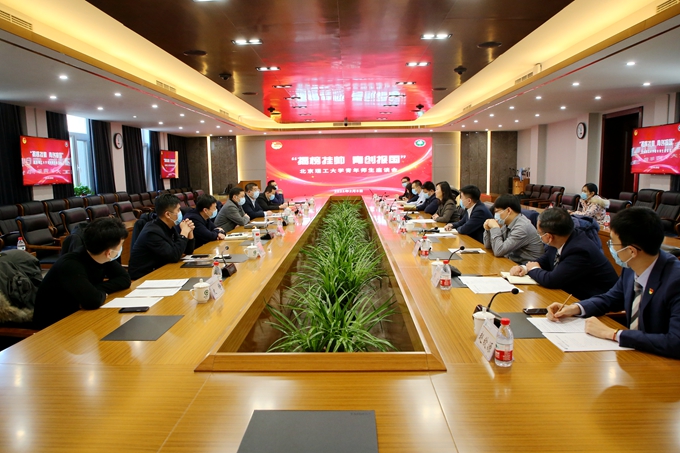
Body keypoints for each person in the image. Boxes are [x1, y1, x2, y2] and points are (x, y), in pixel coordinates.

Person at [547, 208, 680, 359]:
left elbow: (676, 342)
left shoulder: (675, 281)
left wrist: (613, 334)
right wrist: (575, 308)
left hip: (663, 362)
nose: (610, 246)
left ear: (631, 251)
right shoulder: (631, 267)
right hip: (634, 356)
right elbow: (610, 298)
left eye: (613, 243)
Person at [32, 218, 131, 328]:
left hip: (78, 316)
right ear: (109, 252)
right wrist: (95, 293)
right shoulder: (70, 265)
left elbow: (125, 279)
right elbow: (93, 301)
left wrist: (96, 290)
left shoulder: (102, 257)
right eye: (121, 244)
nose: (121, 247)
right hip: (54, 325)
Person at [509, 207, 618, 300]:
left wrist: (533, 269)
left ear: (549, 237)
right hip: (572, 294)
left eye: (539, 233)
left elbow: (552, 280)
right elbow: (545, 260)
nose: (539, 236)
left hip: (598, 302)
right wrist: (524, 268)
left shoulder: (580, 250)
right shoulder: (561, 238)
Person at [128, 194, 196, 280]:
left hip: (161, 270)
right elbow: (174, 256)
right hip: (144, 277)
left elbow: (188, 251)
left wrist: (190, 232)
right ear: (168, 214)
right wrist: (184, 233)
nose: (180, 213)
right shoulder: (152, 232)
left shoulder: (169, 227)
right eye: (178, 210)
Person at [483, 194, 544, 264]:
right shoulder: (507, 223)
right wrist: (488, 230)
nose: (495, 215)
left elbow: (498, 251)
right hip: (513, 263)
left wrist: (495, 228)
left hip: (527, 267)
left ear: (508, 210)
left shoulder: (522, 227)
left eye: (497, 211)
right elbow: (488, 246)